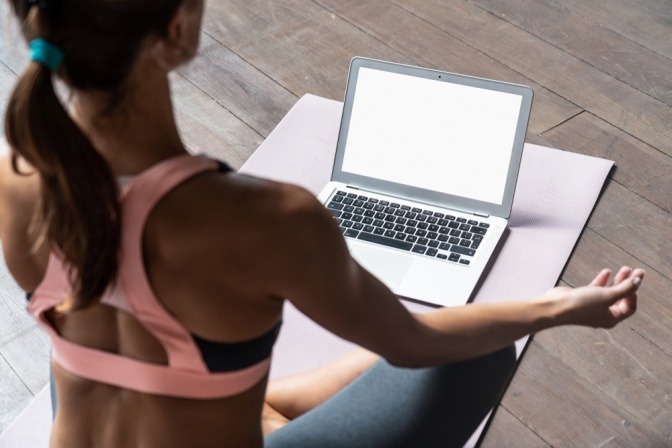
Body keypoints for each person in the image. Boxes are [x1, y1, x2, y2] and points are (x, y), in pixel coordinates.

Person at [0, 1, 643, 447]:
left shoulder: (13, 177)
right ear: (177, 29)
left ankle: (244, 398)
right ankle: (247, 403)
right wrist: (556, 308)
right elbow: (412, 344)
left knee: (165, 360)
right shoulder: (264, 219)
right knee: (475, 349)